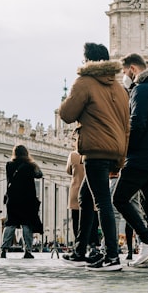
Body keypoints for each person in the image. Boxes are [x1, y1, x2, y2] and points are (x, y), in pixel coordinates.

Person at [59, 42, 130, 271]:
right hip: (115, 148)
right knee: (85, 197)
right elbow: (126, 126)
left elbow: (67, 114)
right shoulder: (119, 88)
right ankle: (81, 250)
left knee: (101, 201)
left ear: (88, 61)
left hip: (95, 149)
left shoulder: (85, 82)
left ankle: (112, 256)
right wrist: (120, 159)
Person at [112, 53, 148, 268]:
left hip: (140, 157)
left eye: (125, 72)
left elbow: (137, 123)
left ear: (133, 69)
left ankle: (146, 241)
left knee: (119, 199)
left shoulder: (141, 90)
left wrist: (124, 152)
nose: (124, 76)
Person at [0, 145, 43, 259]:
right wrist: (32, 162)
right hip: (27, 199)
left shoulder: (9, 165)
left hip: (13, 199)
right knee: (26, 225)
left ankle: (3, 249)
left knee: (10, 224)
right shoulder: (30, 165)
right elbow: (39, 174)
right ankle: (28, 250)